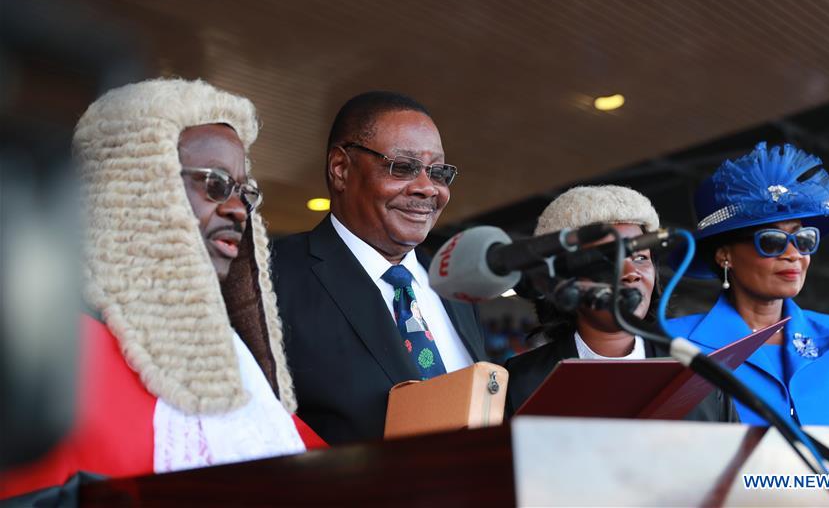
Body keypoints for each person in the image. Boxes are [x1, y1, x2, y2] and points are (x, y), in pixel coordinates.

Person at [1, 79, 324, 500]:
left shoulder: (233, 355)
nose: (237, 209)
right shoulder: (52, 343)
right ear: (134, 190)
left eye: (245, 192)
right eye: (215, 184)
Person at [273, 91, 487, 445]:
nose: (426, 188)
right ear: (340, 169)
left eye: (438, 172)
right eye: (403, 167)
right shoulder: (271, 276)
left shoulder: (453, 284)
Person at [666, 142, 829, 427]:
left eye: (804, 240)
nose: (794, 254)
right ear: (725, 255)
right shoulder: (675, 343)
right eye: (771, 241)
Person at [504, 185, 738, 422]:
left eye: (640, 258)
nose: (632, 273)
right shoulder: (519, 381)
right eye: (609, 260)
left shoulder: (697, 374)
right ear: (563, 279)